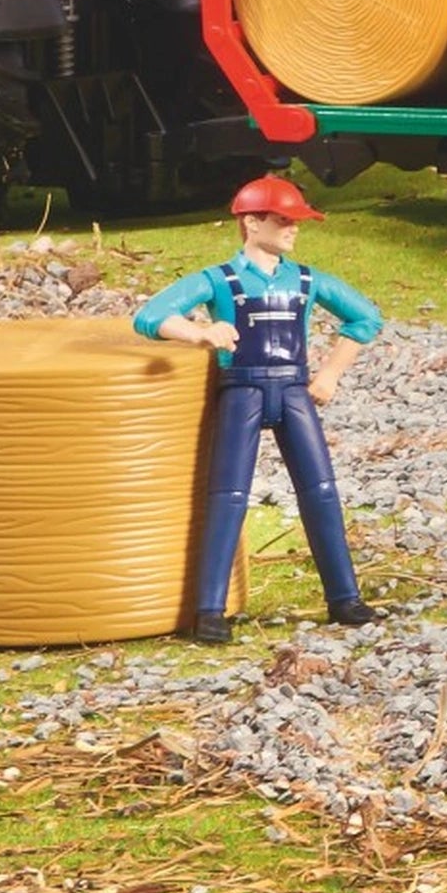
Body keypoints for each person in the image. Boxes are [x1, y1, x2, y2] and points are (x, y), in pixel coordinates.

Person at [132, 175, 383, 645]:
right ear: (251, 222)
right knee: (227, 498)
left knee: (322, 491)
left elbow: (366, 316)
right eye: (283, 219)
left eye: (296, 220)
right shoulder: (219, 280)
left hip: (293, 391)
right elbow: (149, 316)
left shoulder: (306, 280)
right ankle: (209, 610)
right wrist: (199, 333)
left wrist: (329, 373)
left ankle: (344, 597)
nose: (293, 229)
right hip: (241, 391)